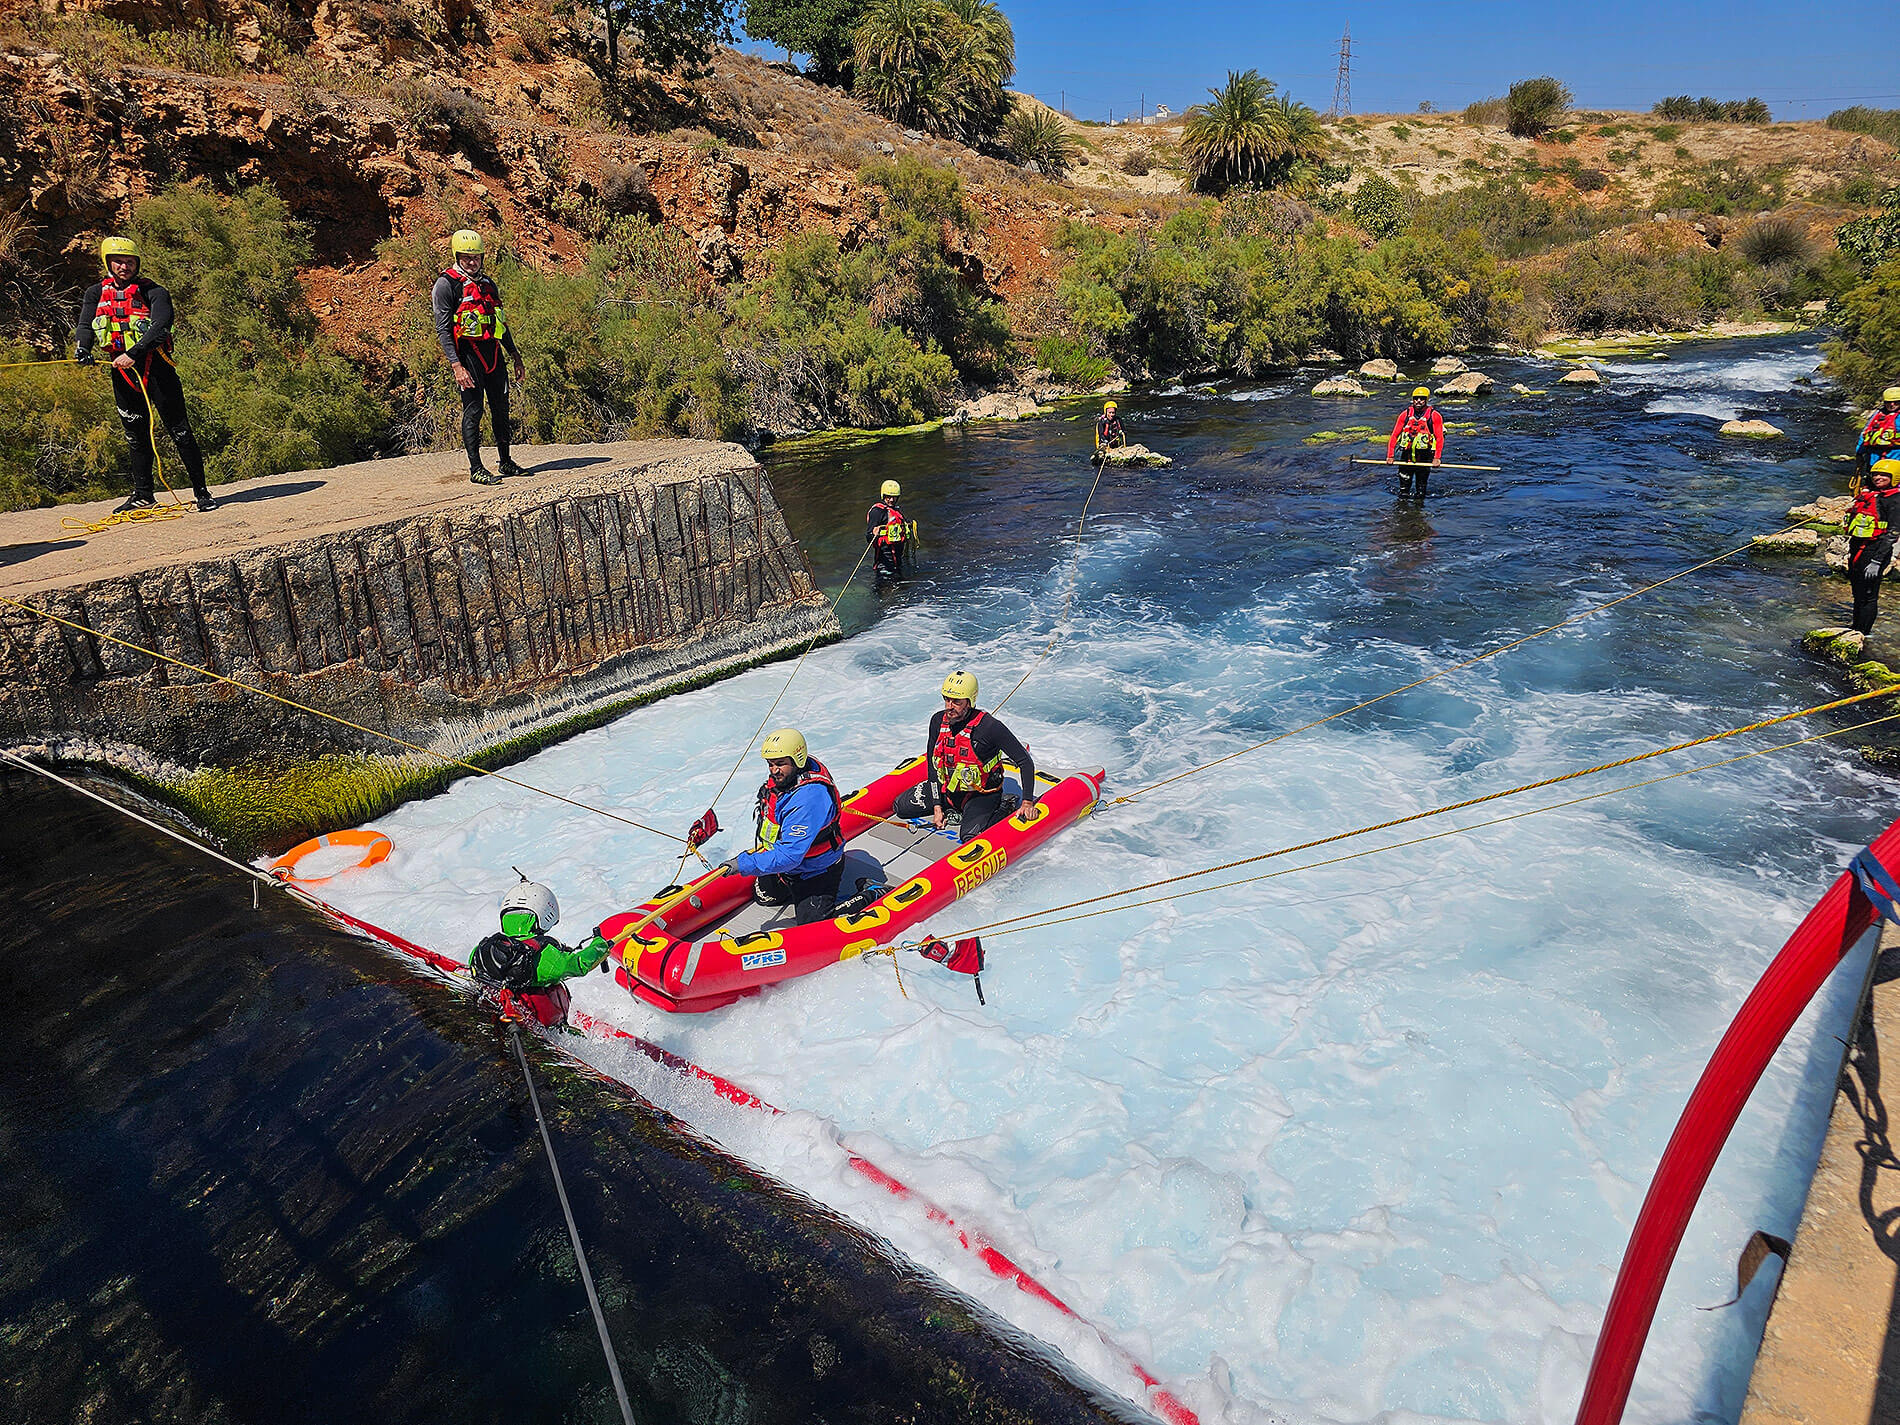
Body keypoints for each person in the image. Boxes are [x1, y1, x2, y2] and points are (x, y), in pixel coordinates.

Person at [74, 237, 216, 514]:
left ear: (137, 263)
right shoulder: (95, 293)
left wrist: (134, 353)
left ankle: (202, 493)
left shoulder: (155, 292)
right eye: (118, 261)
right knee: (135, 434)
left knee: (180, 431)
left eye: (129, 262)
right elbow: (85, 324)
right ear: (108, 263)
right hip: (122, 372)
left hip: (156, 369)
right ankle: (143, 495)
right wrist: (83, 348)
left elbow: (161, 326)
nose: (124, 266)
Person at [891, 670, 1038, 843]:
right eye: (946, 699)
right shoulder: (937, 721)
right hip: (948, 792)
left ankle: (1004, 806)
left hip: (981, 795)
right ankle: (951, 809)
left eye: (956, 702)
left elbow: (1025, 762)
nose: (949, 706)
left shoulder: (990, 728)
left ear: (969, 702)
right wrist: (937, 807)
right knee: (900, 807)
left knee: (969, 837)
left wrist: (1027, 802)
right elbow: (932, 765)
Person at [433, 230, 524, 486]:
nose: (472, 262)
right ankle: (476, 469)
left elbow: (500, 324)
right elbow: (443, 329)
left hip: (494, 355)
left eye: (476, 257)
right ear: (457, 256)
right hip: (468, 357)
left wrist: (515, 355)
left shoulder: (487, 284)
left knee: (501, 410)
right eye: (466, 257)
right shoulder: (446, 284)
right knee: (474, 410)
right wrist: (456, 365)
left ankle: (505, 461)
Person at [732, 728, 847, 924]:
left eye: (780, 764)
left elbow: (790, 856)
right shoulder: (789, 777)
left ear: (797, 760)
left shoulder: (808, 799)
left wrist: (743, 863)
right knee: (764, 897)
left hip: (816, 870)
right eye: (770, 764)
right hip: (788, 867)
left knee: (812, 925)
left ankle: (869, 893)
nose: (774, 770)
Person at [467, 876, 611, 1027]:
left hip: (500, 1010)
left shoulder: (481, 949)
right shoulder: (542, 953)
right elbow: (577, 965)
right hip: (543, 1026)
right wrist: (599, 947)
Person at [1845, 460, 1900, 641]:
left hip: (1875, 551)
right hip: (1858, 549)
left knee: (1869, 595)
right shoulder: (1871, 495)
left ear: (1894, 478)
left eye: (1884, 475)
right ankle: (1855, 627)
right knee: (1857, 593)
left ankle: (1864, 633)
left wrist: (1877, 561)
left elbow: (1892, 534)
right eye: (1875, 474)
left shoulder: (1894, 500)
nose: (1878, 478)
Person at [1386, 386, 1444, 497]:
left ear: (1426, 400)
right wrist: (1390, 455)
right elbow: (1394, 436)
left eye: (1422, 398)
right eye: (1416, 398)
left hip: (1424, 457)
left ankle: (1418, 512)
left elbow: (1439, 438)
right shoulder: (1405, 415)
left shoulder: (1434, 416)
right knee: (1403, 491)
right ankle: (1403, 512)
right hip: (1406, 457)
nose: (1418, 401)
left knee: (1421, 491)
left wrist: (1437, 458)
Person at [866, 478, 913, 579]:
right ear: (883, 496)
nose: (891, 500)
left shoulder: (897, 512)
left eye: (894, 497)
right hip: (884, 565)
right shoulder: (877, 512)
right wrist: (874, 533)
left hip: (897, 562)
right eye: (888, 497)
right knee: (888, 591)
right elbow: (868, 537)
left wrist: (908, 525)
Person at [1856, 388, 1900, 490]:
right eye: (1888, 402)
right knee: (1873, 483)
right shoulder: (1877, 415)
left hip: (1895, 456)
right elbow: (1866, 433)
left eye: (1896, 402)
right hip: (1874, 457)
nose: (1892, 405)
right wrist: (1859, 453)